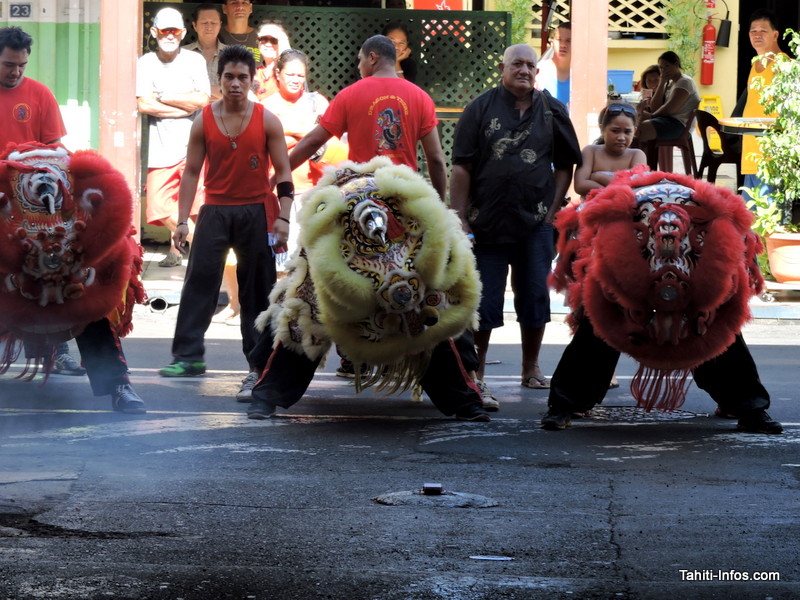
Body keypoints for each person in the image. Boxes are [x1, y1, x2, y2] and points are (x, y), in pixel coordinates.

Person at [245, 35, 490, 421]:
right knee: (431, 296)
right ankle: (467, 400)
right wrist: (438, 207)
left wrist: (278, 175)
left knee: (311, 295)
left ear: (372, 58)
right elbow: (436, 160)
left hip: (354, 211)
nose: (359, 66)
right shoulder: (419, 97)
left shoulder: (351, 94)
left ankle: (267, 394)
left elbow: (312, 142)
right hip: (407, 214)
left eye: (360, 60)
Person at [0, 26, 145, 413]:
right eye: (9, 64)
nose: (16, 71)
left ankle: (118, 386)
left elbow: (55, 151)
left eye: (21, 65)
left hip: (39, 210)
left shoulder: (39, 94)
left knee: (86, 282)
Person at [158, 45, 293, 406]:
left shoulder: (267, 120)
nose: (235, 83)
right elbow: (190, 172)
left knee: (257, 292)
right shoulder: (203, 119)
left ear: (252, 81)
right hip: (214, 211)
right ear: (218, 81)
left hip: (255, 213)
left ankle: (259, 366)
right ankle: (188, 357)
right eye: (229, 77)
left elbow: (284, 172)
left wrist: (283, 217)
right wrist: (182, 220)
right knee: (199, 283)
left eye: (242, 78)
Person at [449, 44, 582, 395]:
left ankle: (531, 366)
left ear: (537, 71)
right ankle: (476, 369)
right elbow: (462, 166)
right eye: (517, 64)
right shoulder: (479, 108)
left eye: (529, 65)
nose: (524, 70)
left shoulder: (552, 110)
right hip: (486, 222)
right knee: (483, 299)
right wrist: (460, 218)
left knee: (535, 295)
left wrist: (551, 212)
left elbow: (566, 165)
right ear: (502, 68)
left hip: (535, 223)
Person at [136, 7, 210, 267]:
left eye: (175, 30)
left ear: (183, 32)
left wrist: (165, 96)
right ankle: (206, 244)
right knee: (157, 205)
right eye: (165, 30)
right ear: (154, 31)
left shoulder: (195, 61)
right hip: (161, 149)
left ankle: (179, 254)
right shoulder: (146, 62)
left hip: (194, 145)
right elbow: (144, 104)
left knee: (195, 207)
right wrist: (182, 109)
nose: (170, 35)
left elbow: (202, 99)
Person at [261, 49, 330, 262]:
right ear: (278, 74)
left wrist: (283, 130)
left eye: (300, 75)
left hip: (313, 189)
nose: (296, 80)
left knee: (311, 261)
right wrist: (307, 132)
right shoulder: (265, 106)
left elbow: (327, 138)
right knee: (281, 262)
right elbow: (267, 145)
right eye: (290, 74)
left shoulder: (318, 101)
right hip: (278, 191)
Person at [740, 9, 785, 205]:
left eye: (763, 31)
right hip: (751, 151)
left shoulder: (783, 65)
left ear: (775, 34)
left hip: (771, 155)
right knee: (750, 214)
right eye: (753, 31)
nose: (757, 35)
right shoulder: (755, 64)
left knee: (769, 213)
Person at [574, 103, 646, 196]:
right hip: (591, 205)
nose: (621, 138)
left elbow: (636, 188)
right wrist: (615, 189)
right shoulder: (590, 152)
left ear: (634, 131)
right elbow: (580, 185)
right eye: (615, 131)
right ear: (602, 129)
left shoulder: (637, 155)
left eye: (627, 132)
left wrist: (598, 177)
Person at [636, 51, 700, 151]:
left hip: (679, 125)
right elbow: (655, 107)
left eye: (667, 66)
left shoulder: (684, 82)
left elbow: (670, 110)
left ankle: (637, 158)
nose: (664, 70)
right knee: (634, 116)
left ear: (676, 64)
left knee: (641, 129)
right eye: (661, 68)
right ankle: (639, 157)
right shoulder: (670, 83)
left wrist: (652, 116)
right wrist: (662, 83)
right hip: (667, 120)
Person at [184, 3, 226, 101]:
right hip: (190, 110)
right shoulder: (182, 54)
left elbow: (235, 91)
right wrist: (217, 92)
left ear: (220, 25)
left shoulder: (233, 55)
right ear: (195, 25)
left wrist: (199, 92)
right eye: (204, 23)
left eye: (213, 23)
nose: (209, 27)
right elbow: (177, 91)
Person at [535, 22, 571, 108]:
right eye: (559, 39)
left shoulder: (584, 75)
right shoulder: (538, 71)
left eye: (568, 41)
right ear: (552, 42)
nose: (563, 45)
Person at [253, 23, 291, 101]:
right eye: (263, 39)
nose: (268, 44)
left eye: (274, 40)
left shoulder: (289, 71)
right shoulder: (255, 71)